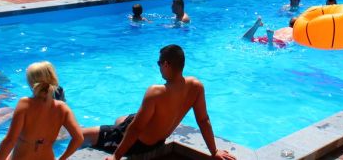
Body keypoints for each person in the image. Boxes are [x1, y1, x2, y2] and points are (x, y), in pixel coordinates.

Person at [81, 45, 236, 160]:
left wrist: (116, 156)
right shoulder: (196, 86)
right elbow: (203, 120)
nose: (159, 67)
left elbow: (135, 129)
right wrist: (214, 151)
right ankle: (118, 127)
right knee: (121, 120)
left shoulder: (156, 92)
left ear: (166, 64)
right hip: (157, 141)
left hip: (138, 144)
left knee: (81, 134)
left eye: (159, 63)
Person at [0, 61, 83, 160]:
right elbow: (78, 138)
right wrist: (62, 158)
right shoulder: (62, 107)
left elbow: (10, 140)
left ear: (31, 83)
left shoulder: (25, 103)